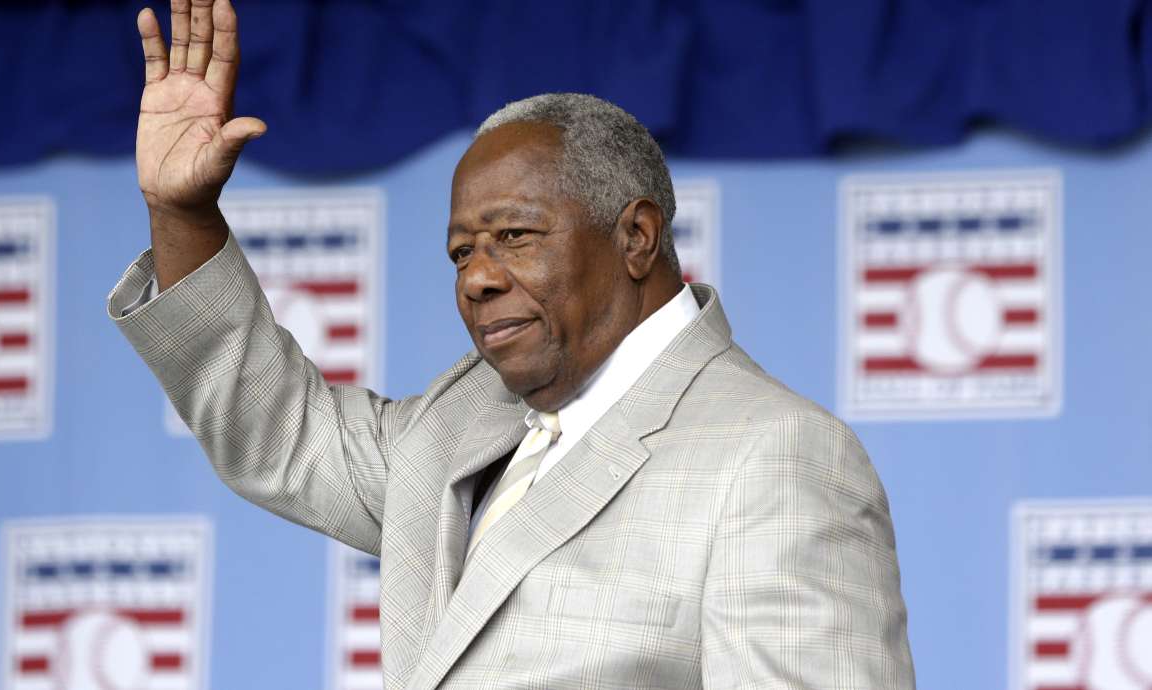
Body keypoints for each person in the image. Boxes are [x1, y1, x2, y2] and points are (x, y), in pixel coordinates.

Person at [109, 1, 916, 687]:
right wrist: (184, 217)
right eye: (463, 252)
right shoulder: (465, 423)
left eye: (515, 237)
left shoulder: (776, 456)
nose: (477, 278)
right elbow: (281, 431)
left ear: (636, 237)